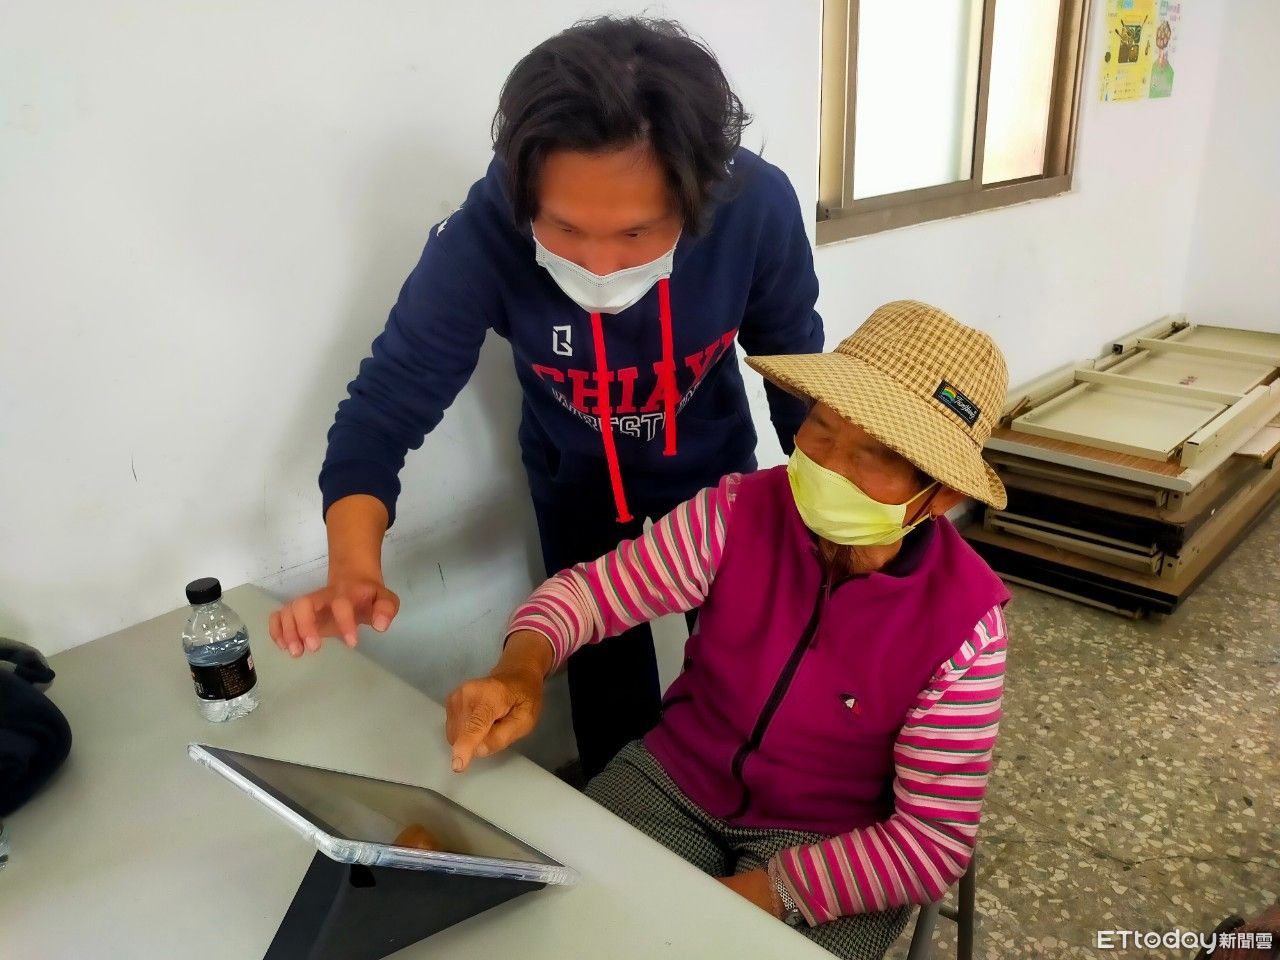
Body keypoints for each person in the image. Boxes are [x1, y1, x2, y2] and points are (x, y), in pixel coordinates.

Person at [267, 16, 823, 780]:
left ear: (699, 198)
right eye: (563, 227)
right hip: (576, 483)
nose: (598, 265)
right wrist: (352, 567)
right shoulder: (483, 235)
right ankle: (620, 811)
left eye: (635, 234)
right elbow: (385, 404)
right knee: (605, 689)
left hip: (711, 474)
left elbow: (795, 366)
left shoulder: (755, 209)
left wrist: (826, 517)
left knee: (745, 666)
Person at [443, 301, 1012, 960]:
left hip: (833, 840)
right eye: (822, 428)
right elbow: (588, 595)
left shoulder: (966, 626)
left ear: (939, 496)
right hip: (673, 780)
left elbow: (931, 843)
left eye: (872, 456)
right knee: (552, 928)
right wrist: (520, 668)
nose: (829, 466)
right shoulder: (739, 512)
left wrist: (765, 894)